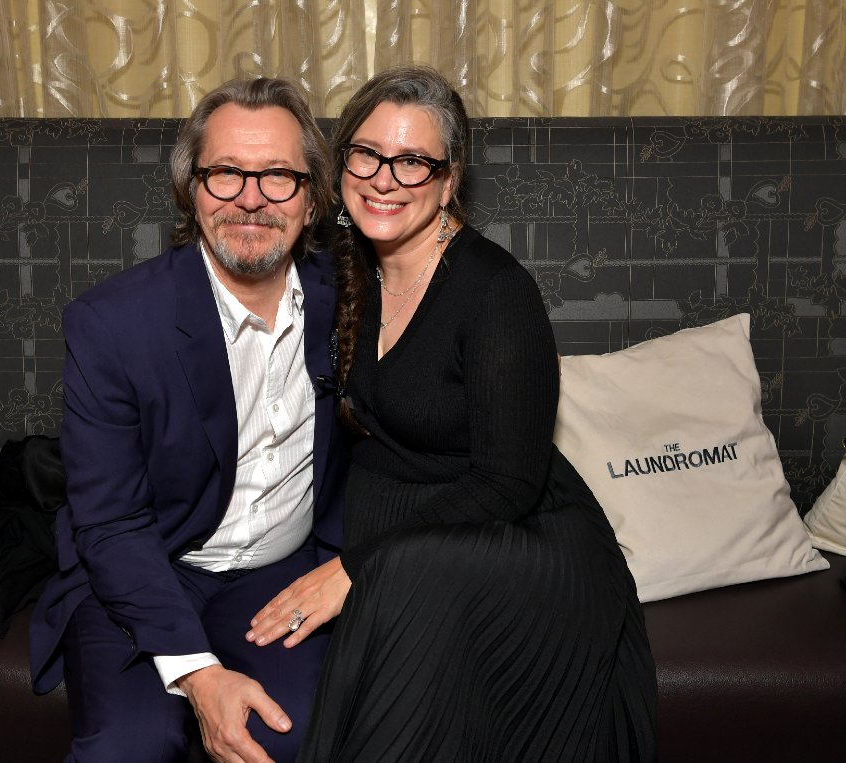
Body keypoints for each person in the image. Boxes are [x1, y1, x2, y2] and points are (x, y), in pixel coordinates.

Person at [246, 66, 658, 761]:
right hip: (406, 541)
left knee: (403, 620)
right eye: (367, 154)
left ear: (449, 177)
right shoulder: (348, 266)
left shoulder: (497, 292)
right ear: (342, 160)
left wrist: (361, 566)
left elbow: (509, 483)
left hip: (511, 539)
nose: (383, 178)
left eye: (413, 161)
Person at [29, 77, 348, 763]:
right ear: (191, 190)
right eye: (226, 173)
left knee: (290, 741)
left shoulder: (350, 303)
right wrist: (200, 676)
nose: (251, 198)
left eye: (279, 177)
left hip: (278, 571)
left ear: (314, 197)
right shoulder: (111, 324)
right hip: (145, 565)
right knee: (129, 748)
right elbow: (109, 523)